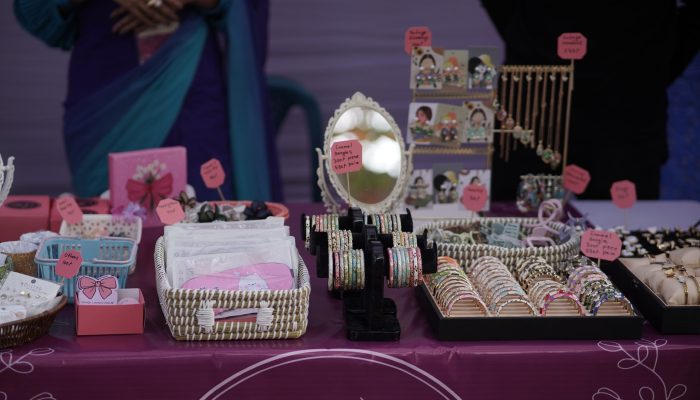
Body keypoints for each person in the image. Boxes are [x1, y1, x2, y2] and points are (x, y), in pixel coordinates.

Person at [14, 0, 281, 201]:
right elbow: (33, 10)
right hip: (108, 97)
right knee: (108, 229)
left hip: (193, 91)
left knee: (205, 224)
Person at [482, 0, 700, 200]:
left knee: (623, 224)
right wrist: (527, 37)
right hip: (532, 100)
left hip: (627, 111)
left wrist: (653, 66)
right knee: (518, 220)